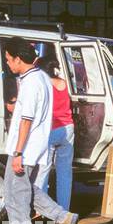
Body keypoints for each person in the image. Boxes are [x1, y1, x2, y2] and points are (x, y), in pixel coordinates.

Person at [1, 38, 78, 224]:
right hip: (34, 147)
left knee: (14, 194)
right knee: (28, 191)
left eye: (8, 59)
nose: (7, 63)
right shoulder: (42, 78)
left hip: (24, 149)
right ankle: (64, 218)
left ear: (18, 59)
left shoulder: (31, 82)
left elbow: (27, 119)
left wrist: (17, 152)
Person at [39, 57, 76, 212]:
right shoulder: (63, 83)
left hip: (51, 129)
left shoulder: (44, 84)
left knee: (43, 171)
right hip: (68, 128)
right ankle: (64, 210)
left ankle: (42, 209)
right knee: (65, 173)